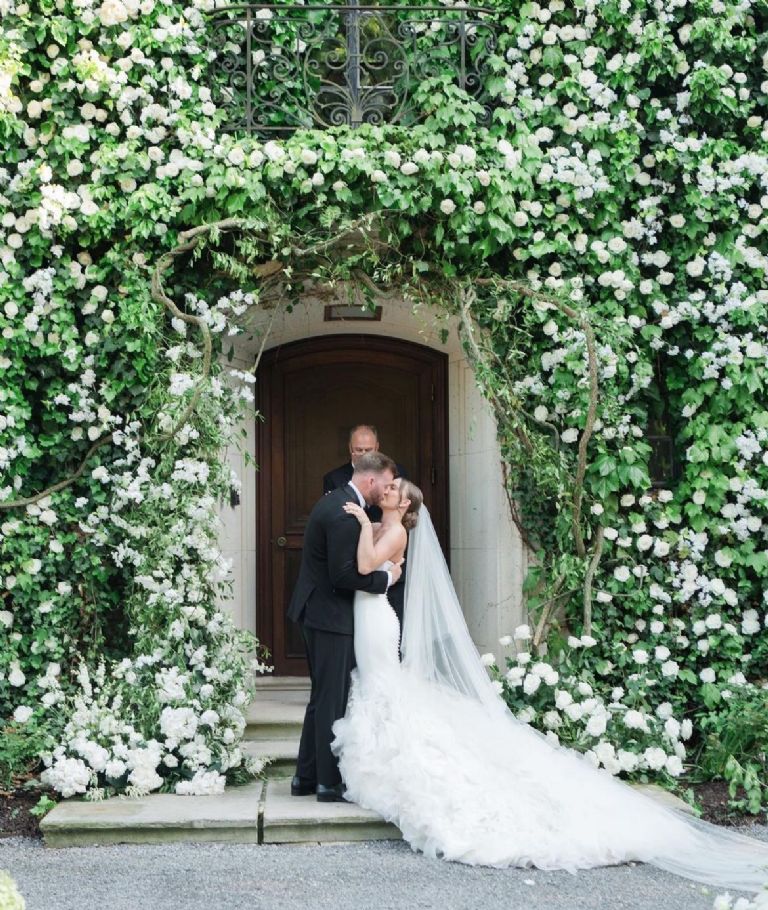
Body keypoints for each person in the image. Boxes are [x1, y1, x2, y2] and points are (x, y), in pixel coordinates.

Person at [331, 479, 768, 891]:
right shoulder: (386, 526)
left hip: (377, 623)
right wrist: (375, 537)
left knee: (389, 690)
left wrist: (365, 527)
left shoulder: (393, 532)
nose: (385, 488)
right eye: (386, 486)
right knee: (384, 689)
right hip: (369, 617)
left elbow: (368, 564)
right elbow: (379, 569)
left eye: (393, 488)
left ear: (404, 504)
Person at [287, 451, 403, 802]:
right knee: (331, 700)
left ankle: (304, 778)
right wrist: (386, 580)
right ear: (370, 480)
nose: (384, 491)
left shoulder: (344, 505)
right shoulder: (342, 514)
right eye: (384, 483)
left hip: (320, 613)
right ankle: (327, 782)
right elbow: (343, 576)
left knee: (321, 698)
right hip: (329, 617)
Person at [323, 423, 409, 633]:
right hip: (352, 563)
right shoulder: (334, 479)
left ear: (378, 447)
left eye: (368, 450)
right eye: (358, 450)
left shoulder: (396, 475)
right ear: (350, 449)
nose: (362, 455)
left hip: (385, 559)